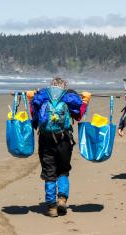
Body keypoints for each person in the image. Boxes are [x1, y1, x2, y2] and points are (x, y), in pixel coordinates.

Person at [28, 77, 91, 217]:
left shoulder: (43, 97)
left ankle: (51, 207)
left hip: (46, 140)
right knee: (63, 170)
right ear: (64, 86)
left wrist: (31, 100)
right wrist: (86, 100)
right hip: (64, 140)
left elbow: (34, 118)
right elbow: (79, 115)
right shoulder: (68, 98)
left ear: (51, 86)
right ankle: (62, 199)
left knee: (49, 172)